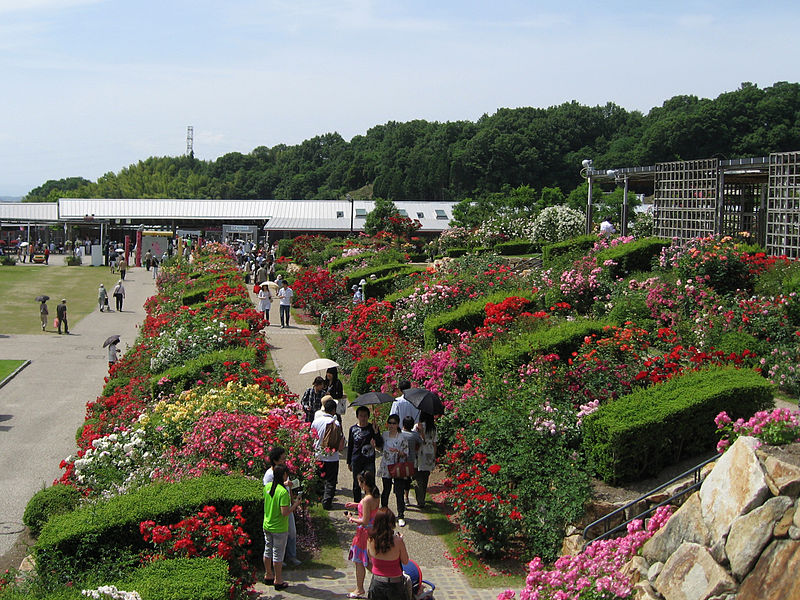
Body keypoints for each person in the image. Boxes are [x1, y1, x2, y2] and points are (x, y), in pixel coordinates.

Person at [263, 464, 302, 591]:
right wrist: (296, 504)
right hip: (279, 527)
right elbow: (285, 512)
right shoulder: (282, 492)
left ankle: (268, 574)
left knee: (267, 550)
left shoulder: (268, 487)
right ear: (284, 475)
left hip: (267, 524)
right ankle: (278, 580)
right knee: (277, 554)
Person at [262, 447, 302, 567]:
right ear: (275, 460)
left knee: (292, 533)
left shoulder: (284, 471)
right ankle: (280, 560)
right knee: (277, 540)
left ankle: (291, 556)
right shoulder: (270, 475)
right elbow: (269, 489)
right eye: (282, 459)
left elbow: (288, 489)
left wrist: (292, 499)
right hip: (277, 511)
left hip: (286, 504)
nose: (285, 461)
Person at [345, 470, 381, 599]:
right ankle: (383, 576)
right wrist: (356, 504)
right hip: (373, 532)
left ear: (364, 483)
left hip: (363, 534)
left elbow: (364, 520)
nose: (359, 484)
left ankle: (359, 588)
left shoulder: (366, 499)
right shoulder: (375, 496)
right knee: (371, 560)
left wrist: (351, 518)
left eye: (360, 482)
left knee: (359, 561)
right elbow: (370, 511)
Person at [367, 507, 409, 600]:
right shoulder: (398, 541)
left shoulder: (370, 540)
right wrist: (401, 540)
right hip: (395, 583)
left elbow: (370, 559)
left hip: (377, 582)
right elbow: (405, 561)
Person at [311, 398, 345, 510]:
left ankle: (319, 498)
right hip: (332, 456)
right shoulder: (336, 423)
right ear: (333, 410)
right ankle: (327, 501)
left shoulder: (316, 422)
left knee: (319, 477)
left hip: (318, 455)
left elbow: (312, 437)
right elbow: (341, 440)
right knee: (331, 480)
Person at [377, 415, 409, 527]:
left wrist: (398, 452)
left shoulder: (401, 437)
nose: (391, 425)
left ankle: (400, 515)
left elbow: (406, 453)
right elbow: (380, 447)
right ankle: (384, 514)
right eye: (390, 423)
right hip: (386, 467)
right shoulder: (384, 435)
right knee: (386, 491)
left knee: (399, 492)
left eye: (394, 423)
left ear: (398, 424)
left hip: (397, 467)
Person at [347, 406, 381, 502]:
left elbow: (379, 443)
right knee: (356, 483)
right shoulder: (353, 429)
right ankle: (357, 504)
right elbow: (350, 446)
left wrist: (376, 432)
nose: (363, 418)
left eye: (365, 416)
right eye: (361, 416)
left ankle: (370, 503)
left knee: (370, 483)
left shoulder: (372, 428)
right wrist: (349, 461)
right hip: (356, 459)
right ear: (357, 416)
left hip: (368, 460)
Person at [413, 412, 437, 509]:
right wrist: (434, 456)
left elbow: (413, 439)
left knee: (418, 476)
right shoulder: (433, 428)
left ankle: (420, 499)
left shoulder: (418, 426)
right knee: (425, 476)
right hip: (429, 452)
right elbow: (435, 443)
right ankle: (421, 497)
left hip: (420, 452)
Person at [401, 416, 422, 507]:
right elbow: (421, 442)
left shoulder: (400, 434)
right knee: (407, 479)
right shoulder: (414, 435)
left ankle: (401, 497)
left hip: (401, 460)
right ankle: (406, 497)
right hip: (411, 460)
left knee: (401, 478)